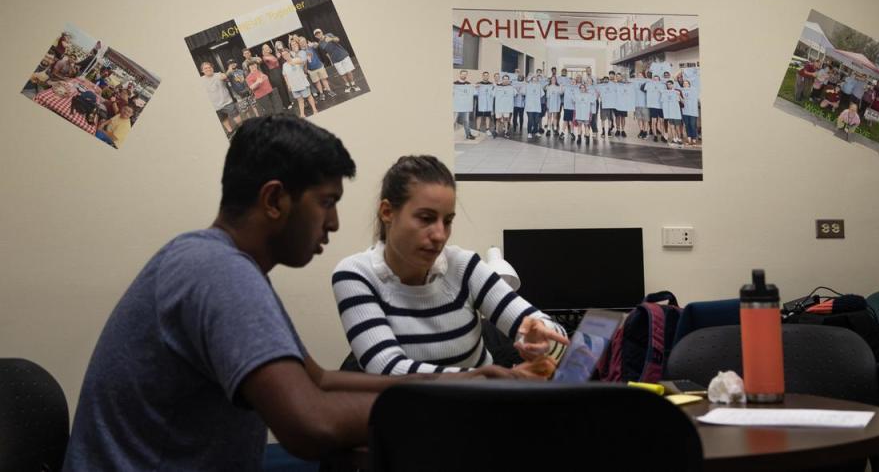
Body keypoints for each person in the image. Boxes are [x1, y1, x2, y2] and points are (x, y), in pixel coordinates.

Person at [64, 118, 523, 470]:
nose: (336, 222)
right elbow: (311, 424)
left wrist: (466, 381)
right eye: (326, 202)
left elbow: (318, 379)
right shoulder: (218, 274)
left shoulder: (219, 264)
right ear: (274, 200)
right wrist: (474, 403)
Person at [332, 155, 568, 375]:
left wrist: (542, 340)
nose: (439, 235)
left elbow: (556, 336)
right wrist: (497, 379)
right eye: (426, 218)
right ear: (387, 212)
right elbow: (388, 369)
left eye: (447, 221)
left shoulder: (464, 266)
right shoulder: (355, 275)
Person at [314, 28, 361, 93]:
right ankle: (348, 85)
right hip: (335, 60)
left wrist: (331, 39)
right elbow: (327, 53)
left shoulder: (329, 35)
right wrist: (331, 61)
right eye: (316, 34)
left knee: (348, 71)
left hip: (343, 55)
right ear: (316, 36)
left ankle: (353, 85)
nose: (318, 34)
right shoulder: (320, 43)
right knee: (342, 73)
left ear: (321, 32)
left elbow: (337, 39)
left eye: (319, 33)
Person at [200, 62, 240, 134]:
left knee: (238, 120)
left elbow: (224, 76)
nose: (208, 69)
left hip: (227, 102)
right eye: (205, 68)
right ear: (202, 71)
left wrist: (227, 73)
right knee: (224, 119)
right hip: (215, 106)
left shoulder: (218, 74)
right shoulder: (200, 80)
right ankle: (230, 131)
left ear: (212, 68)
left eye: (209, 67)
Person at [281, 50, 317, 118]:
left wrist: (295, 62)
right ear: (283, 57)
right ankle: (302, 114)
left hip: (302, 83)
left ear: (289, 53)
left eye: (286, 53)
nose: (285, 55)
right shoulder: (284, 65)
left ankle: (315, 110)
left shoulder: (296, 59)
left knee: (309, 96)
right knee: (300, 100)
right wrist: (288, 85)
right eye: (283, 55)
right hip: (294, 86)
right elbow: (285, 75)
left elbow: (302, 62)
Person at [260, 43, 291, 111]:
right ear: (263, 50)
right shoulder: (264, 57)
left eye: (268, 47)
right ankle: (285, 105)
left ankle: (289, 102)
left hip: (279, 71)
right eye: (265, 48)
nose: (267, 49)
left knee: (284, 86)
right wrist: (278, 57)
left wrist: (278, 57)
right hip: (274, 73)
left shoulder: (271, 55)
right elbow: (271, 61)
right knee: (281, 89)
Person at [453, 70, 475, 140]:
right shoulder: (454, 84)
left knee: (466, 121)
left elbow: (473, 92)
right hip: (456, 106)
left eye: (465, 74)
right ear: (460, 74)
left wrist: (475, 87)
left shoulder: (469, 84)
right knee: (453, 121)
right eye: (462, 74)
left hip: (465, 106)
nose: (464, 76)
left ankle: (468, 135)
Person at [680, 80, 700, 146]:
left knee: (692, 125)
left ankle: (694, 139)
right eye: (684, 83)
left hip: (693, 111)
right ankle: (689, 139)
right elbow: (682, 101)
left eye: (686, 83)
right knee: (687, 125)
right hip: (685, 111)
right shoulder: (681, 91)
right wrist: (679, 95)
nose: (685, 84)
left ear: (689, 84)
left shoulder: (693, 90)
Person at [475, 71, 495, 136]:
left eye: (487, 75)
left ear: (488, 76)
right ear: (482, 76)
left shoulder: (491, 84)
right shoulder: (478, 83)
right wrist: (476, 87)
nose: (486, 76)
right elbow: (475, 93)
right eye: (485, 75)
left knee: (488, 117)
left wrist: (494, 87)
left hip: (488, 103)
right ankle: (478, 130)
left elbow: (493, 93)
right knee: (479, 116)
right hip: (480, 102)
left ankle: (487, 129)